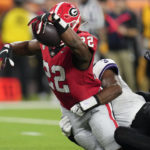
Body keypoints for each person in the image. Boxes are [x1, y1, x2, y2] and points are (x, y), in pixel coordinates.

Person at [0, 2, 122, 150]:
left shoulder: (84, 39)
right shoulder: (46, 44)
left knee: (111, 143)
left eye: (53, 24)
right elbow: (26, 46)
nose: (48, 28)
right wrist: (9, 47)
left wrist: (58, 23)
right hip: (70, 109)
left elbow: (80, 49)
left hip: (92, 104)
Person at [60, 57, 150, 150]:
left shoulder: (98, 67)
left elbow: (115, 89)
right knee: (120, 135)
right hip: (132, 133)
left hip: (143, 112)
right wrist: (74, 135)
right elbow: (98, 143)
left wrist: (86, 105)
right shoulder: (71, 99)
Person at [104, 0, 138, 91]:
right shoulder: (109, 15)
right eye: (117, 1)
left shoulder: (130, 14)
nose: (118, 3)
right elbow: (104, 31)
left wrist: (126, 31)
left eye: (120, 1)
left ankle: (135, 98)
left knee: (129, 77)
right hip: (111, 51)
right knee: (116, 78)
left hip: (125, 50)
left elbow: (136, 32)